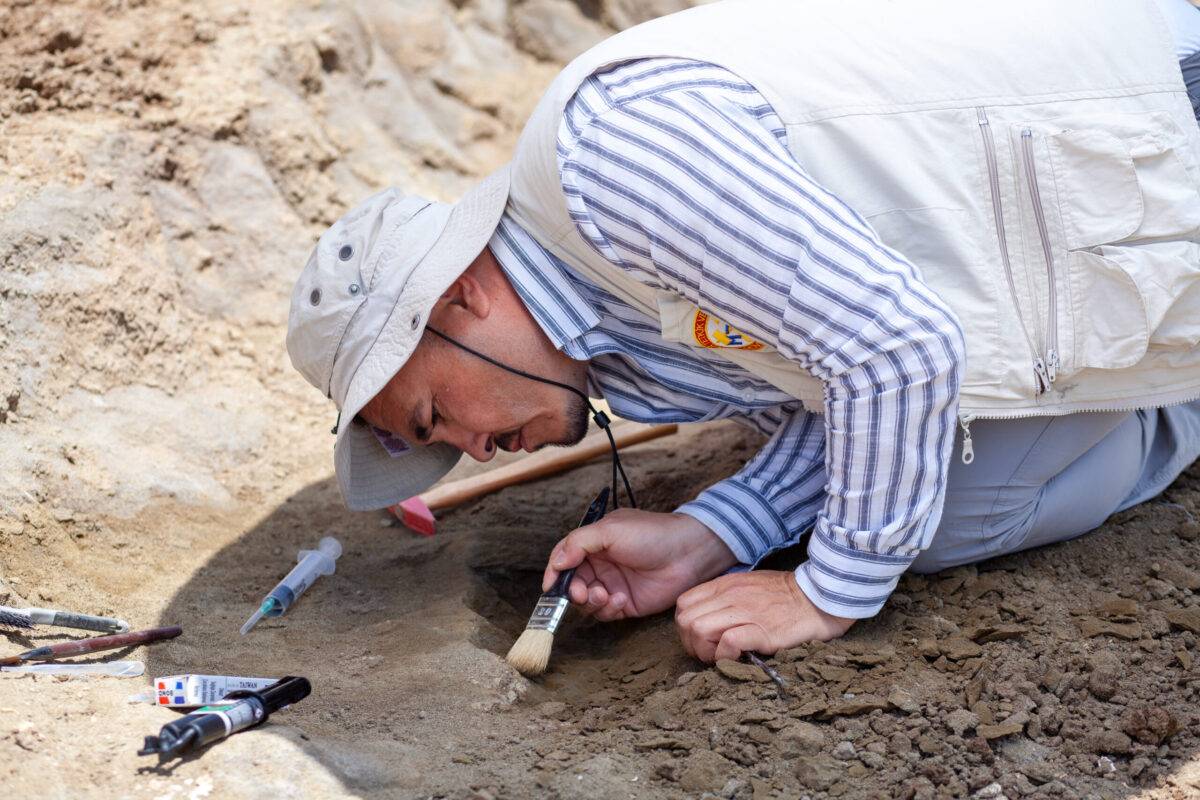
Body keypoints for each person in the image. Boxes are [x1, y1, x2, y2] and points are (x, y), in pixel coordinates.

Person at [286, 0, 1200, 664]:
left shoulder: (614, 168)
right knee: (894, 483)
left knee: (928, 518)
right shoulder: (605, 326)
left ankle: (1175, 398)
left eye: (433, 414)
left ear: (459, 296)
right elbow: (829, 388)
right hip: (1083, 222)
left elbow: (895, 348)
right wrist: (714, 533)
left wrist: (823, 592)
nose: (473, 451)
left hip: (1164, 111)